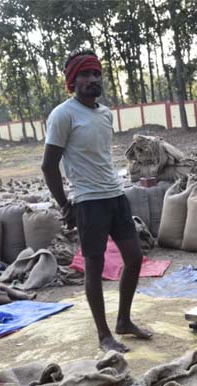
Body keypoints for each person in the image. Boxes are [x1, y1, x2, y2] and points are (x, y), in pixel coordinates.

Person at [42, 49, 151, 353]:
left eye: (95, 74)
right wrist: (66, 204)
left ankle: (124, 321)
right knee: (95, 266)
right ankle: (104, 335)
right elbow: (49, 165)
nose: (92, 79)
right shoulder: (63, 115)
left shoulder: (104, 113)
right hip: (88, 201)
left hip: (115, 195)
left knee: (135, 257)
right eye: (84, 75)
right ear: (72, 82)